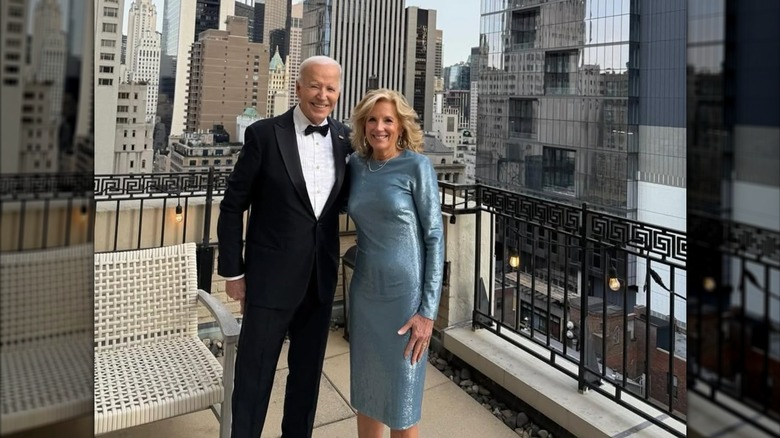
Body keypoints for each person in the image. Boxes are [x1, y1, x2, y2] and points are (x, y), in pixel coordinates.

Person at [216, 55, 352, 438]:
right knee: (254, 379)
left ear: (338, 93)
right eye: (315, 85)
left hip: (320, 280)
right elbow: (233, 204)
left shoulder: (345, 139)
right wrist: (233, 271)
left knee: (307, 382)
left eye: (330, 88)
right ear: (298, 87)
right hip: (268, 281)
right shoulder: (263, 134)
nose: (322, 95)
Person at [346, 89, 445, 438]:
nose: (379, 127)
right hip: (365, 296)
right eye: (372, 119)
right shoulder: (355, 165)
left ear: (401, 125)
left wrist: (428, 312)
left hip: (406, 303)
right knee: (368, 396)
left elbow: (435, 237)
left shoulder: (417, 166)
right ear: (363, 125)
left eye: (388, 119)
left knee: (402, 408)